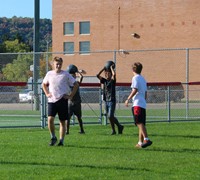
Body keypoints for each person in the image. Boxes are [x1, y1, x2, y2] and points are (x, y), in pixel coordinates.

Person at [42, 57, 79, 146]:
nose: (58, 66)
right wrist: (47, 93)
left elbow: (76, 84)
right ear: (53, 64)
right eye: (56, 64)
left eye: (60, 64)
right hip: (52, 100)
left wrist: (70, 95)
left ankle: (61, 141)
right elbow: (43, 84)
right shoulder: (49, 74)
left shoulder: (65, 74)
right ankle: (53, 137)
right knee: (50, 119)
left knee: (62, 121)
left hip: (62, 99)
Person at [125, 62, 152, 148]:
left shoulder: (135, 78)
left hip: (137, 103)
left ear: (133, 69)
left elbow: (135, 89)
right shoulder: (143, 79)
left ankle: (146, 139)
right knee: (141, 123)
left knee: (139, 122)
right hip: (142, 103)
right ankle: (140, 142)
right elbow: (145, 92)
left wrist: (128, 99)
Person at [97, 61, 124, 135]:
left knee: (110, 115)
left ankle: (119, 126)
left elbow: (114, 74)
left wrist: (112, 68)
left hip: (112, 100)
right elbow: (97, 75)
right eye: (106, 73)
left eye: (108, 73)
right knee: (109, 117)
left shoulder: (112, 81)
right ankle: (115, 129)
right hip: (106, 100)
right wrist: (104, 68)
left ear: (110, 74)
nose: (106, 74)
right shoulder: (104, 81)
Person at [66, 64, 85, 134]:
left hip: (77, 102)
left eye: (74, 75)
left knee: (79, 118)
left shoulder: (76, 83)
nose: (73, 76)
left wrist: (78, 72)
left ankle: (82, 130)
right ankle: (67, 131)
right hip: (70, 102)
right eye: (71, 75)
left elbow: (81, 77)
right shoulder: (67, 83)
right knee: (68, 118)